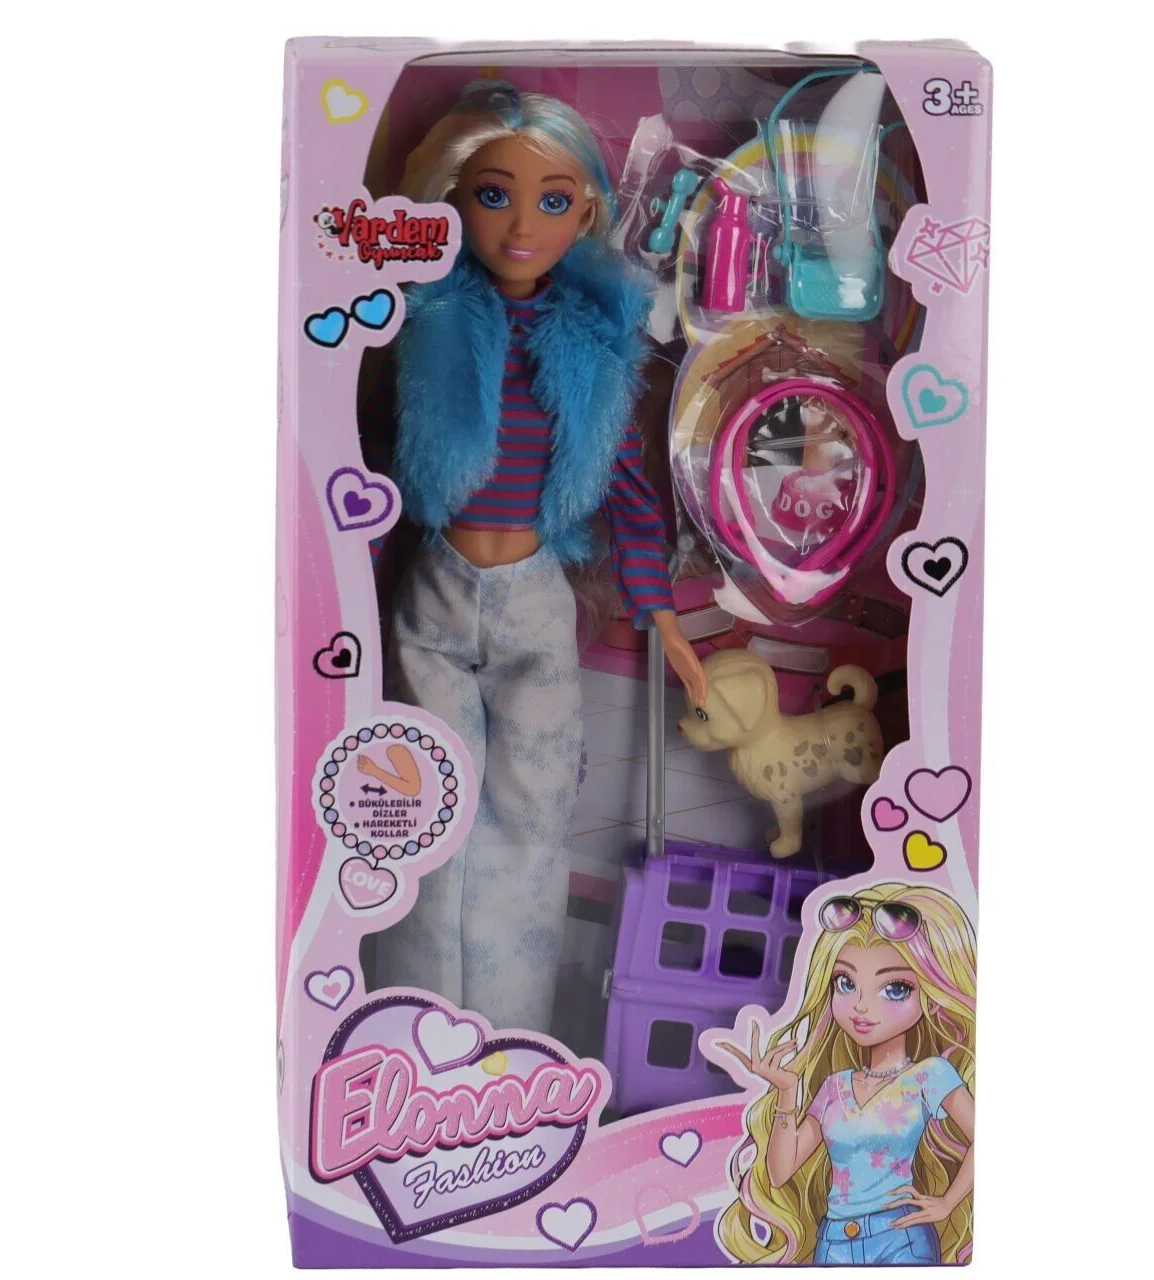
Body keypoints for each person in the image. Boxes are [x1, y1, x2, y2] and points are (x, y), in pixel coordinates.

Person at [368, 80, 707, 1037]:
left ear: (588, 207)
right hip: (435, 593)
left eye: (553, 200)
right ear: (451, 196)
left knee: (533, 818)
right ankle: (413, 1034)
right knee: (425, 818)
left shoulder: (596, 345)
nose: (522, 226)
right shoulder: (423, 312)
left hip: (533, 600)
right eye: (493, 195)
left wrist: (666, 619)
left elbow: (628, 490)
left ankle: (510, 1044)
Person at [716, 882, 977, 1264]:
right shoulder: (834, 1087)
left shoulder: (929, 1076)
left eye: (895, 988)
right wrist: (787, 1092)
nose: (861, 1006)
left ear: (932, 996)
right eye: (846, 983)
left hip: (901, 1238)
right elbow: (780, 1172)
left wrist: (948, 1202)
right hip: (834, 1242)